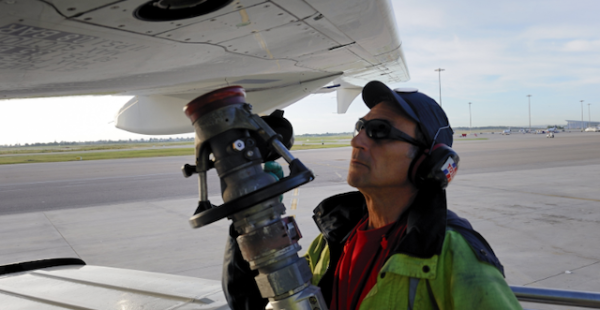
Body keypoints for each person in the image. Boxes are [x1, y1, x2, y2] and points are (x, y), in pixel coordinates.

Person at [223, 81, 522, 309]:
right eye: (360, 127)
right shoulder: (331, 241)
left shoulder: (453, 255)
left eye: (379, 130)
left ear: (429, 162)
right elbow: (253, 302)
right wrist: (249, 220)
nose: (356, 141)